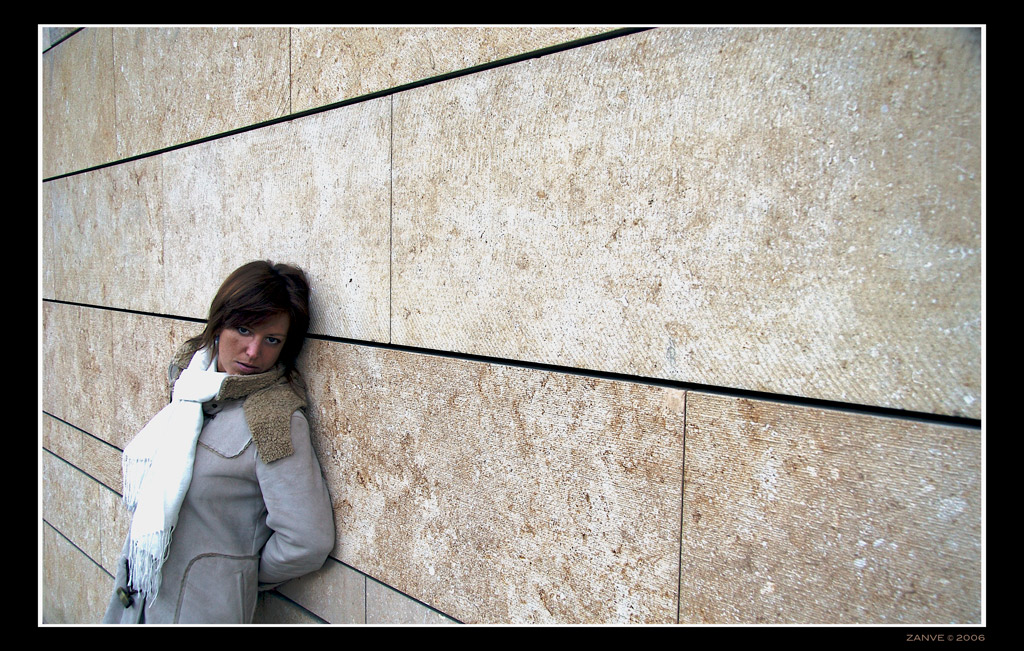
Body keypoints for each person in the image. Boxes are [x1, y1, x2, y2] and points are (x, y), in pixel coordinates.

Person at [103, 260, 335, 624]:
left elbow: (308, 539)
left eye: (271, 340)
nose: (253, 351)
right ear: (219, 322)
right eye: (243, 329)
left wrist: (234, 575)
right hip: (141, 605)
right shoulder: (191, 389)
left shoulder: (272, 418)